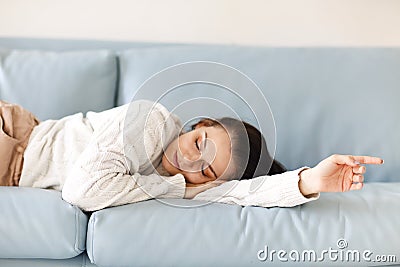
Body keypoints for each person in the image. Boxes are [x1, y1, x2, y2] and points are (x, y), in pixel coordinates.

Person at [0, 100, 383, 211]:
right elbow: (82, 191)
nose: (189, 163)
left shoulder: (195, 184)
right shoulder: (150, 120)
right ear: (198, 124)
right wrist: (174, 188)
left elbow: (243, 193)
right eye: (200, 143)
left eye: (206, 169)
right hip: (14, 144)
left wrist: (310, 181)